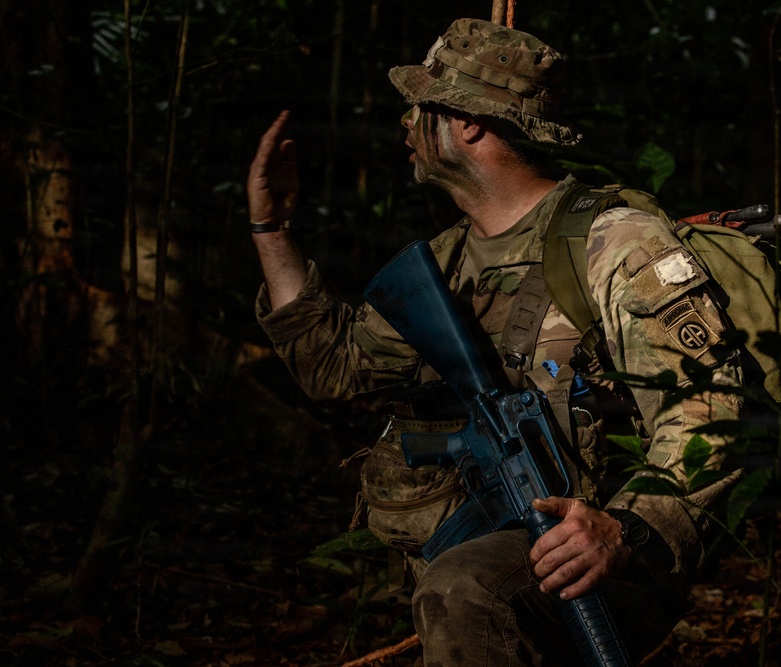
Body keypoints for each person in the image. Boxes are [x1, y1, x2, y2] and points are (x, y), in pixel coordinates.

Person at [248, 17, 744, 666]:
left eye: (420, 106)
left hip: (613, 553)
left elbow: (709, 408)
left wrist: (623, 527)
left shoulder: (615, 243)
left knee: (462, 587)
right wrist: (270, 226)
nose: (405, 124)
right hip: (507, 545)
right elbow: (334, 366)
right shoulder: (448, 261)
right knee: (463, 584)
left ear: (467, 123)